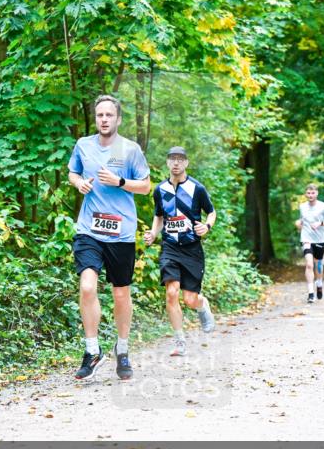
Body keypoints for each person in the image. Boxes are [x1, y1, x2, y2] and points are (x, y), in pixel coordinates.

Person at [68, 95, 151, 380]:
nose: (104, 119)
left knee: (120, 293)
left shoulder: (130, 150)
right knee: (88, 287)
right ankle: (92, 351)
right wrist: (79, 183)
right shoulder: (83, 145)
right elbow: (72, 172)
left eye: (109, 115)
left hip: (121, 232)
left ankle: (123, 350)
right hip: (89, 229)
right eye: (100, 115)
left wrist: (121, 182)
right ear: (96, 118)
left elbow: (146, 187)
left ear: (118, 119)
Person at [143, 146, 217, 357]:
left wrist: (206, 227)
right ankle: (180, 341)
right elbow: (159, 216)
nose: (176, 163)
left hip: (192, 249)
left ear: (186, 163)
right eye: (172, 159)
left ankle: (202, 306)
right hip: (170, 248)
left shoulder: (197, 188)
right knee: (171, 292)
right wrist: (153, 233)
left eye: (180, 159)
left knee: (190, 299)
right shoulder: (160, 190)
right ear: (167, 162)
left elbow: (211, 212)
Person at [295, 184, 324, 303]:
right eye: (308, 193)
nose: (310, 195)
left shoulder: (323, 206)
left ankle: (319, 283)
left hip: (319, 240)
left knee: (318, 265)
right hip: (306, 238)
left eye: (313, 193)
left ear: (317, 193)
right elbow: (302, 221)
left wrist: (320, 224)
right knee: (309, 264)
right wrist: (298, 224)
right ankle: (311, 293)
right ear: (305, 194)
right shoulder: (302, 207)